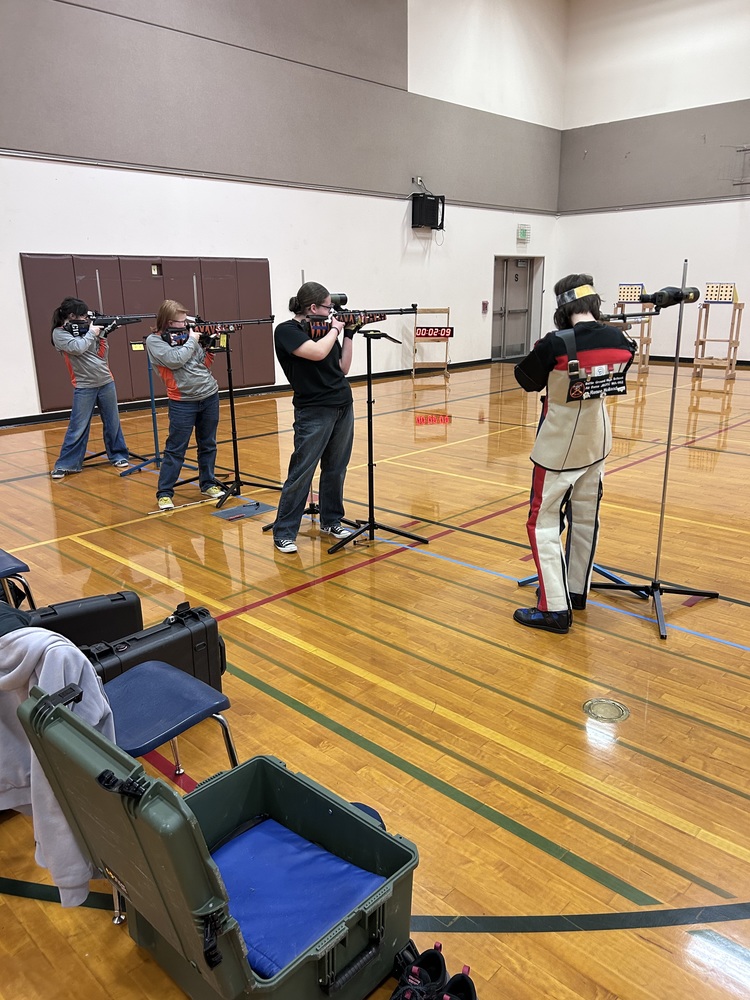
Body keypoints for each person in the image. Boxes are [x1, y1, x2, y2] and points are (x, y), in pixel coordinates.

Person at [513, 273, 635, 634]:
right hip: (596, 442)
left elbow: (526, 380)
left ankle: (554, 607)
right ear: (594, 304)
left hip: (558, 446)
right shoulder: (620, 339)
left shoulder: (556, 343)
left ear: (562, 309)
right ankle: (576, 591)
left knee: (543, 524)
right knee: (585, 519)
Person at [272, 282, 355, 553]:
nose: (332, 312)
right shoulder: (287, 331)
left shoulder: (325, 331)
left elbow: (342, 368)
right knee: (302, 472)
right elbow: (317, 352)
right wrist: (336, 328)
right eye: (328, 307)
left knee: (336, 468)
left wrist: (349, 334)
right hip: (314, 409)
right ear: (313, 308)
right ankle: (283, 531)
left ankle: (331, 520)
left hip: (342, 403)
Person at [146, 300, 226, 510]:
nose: (185, 326)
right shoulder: (154, 342)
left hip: (209, 395)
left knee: (208, 444)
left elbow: (201, 363)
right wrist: (192, 340)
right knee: (175, 449)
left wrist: (208, 346)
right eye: (181, 322)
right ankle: (164, 493)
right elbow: (175, 360)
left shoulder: (186, 338)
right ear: (167, 321)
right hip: (182, 401)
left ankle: (207, 483)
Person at [50, 297, 129, 479]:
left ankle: (118, 455)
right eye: (83, 315)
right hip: (84, 385)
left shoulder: (87, 332)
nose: (86, 319)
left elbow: (100, 355)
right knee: (78, 426)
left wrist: (102, 335)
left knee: (113, 423)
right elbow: (77, 348)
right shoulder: (60, 333)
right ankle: (66, 463)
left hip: (106, 381)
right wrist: (92, 332)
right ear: (71, 315)